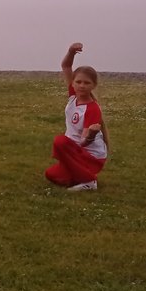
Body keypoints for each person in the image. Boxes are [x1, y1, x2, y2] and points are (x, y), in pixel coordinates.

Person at [45, 42, 109, 191]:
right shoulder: (73, 97)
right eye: (78, 82)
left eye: (87, 83)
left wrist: (92, 135)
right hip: (75, 152)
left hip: (90, 156)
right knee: (51, 174)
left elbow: (84, 142)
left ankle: (89, 182)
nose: (82, 85)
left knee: (60, 141)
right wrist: (71, 52)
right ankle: (78, 176)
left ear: (93, 85)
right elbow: (66, 66)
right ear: (73, 83)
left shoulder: (92, 109)